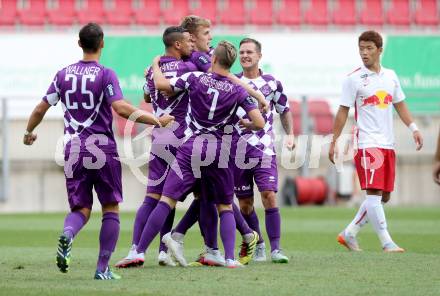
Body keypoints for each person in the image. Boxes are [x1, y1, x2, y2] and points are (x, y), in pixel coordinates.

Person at [23, 23, 173, 280]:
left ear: (79, 44)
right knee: (110, 209)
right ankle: (102, 269)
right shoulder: (105, 74)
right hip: (101, 147)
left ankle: (68, 234)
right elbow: (121, 108)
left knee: (80, 209)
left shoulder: (62, 75)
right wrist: (156, 121)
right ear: (102, 43)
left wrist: (29, 132)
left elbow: (40, 109)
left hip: (72, 148)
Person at [132, 41, 265, 268]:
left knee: (166, 200)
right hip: (220, 151)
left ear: (213, 60)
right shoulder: (238, 90)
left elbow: (162, 84)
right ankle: (230, 258)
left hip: (192, 147)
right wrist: (246, 124)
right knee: (224, 205)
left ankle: (139, 252)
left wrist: (155, 64)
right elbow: (259, 122)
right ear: (231, 64)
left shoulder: (195, 78)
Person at [329, 30, 423, 252]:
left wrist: (414, 128)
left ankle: (349, 233)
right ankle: (386, 242)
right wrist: (334, 141)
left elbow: (399, 104)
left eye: (369, 48)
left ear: (380, 50)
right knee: (373, 192)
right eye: (361, 48)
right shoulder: (353, 79)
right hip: (367, 143)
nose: (364, 53)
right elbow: (342, 111)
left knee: (384, 196)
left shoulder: (391, 76)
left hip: (387, 143)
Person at [115, 26, 196, 268]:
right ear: (177, 45)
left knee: (153, 197)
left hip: (158, 137)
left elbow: (148, 98)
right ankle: (168, 247)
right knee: (201, 197)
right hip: (181, 138)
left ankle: (136, 249)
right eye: (187, 42)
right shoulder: (188, 68)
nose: (192, 45)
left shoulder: (152, 70)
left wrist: (155, 68)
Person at [232, 38, 293, 264]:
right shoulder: (232, 81)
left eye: (249, 52)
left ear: (259, 56)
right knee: (245, 204)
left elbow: (284, 109)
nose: (245, 55)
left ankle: (276, 249)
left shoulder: (272, 83)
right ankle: (258, 244)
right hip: (237, 152)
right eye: (242, 52)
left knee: (269, 196)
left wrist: (291, 134)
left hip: (264, 150)